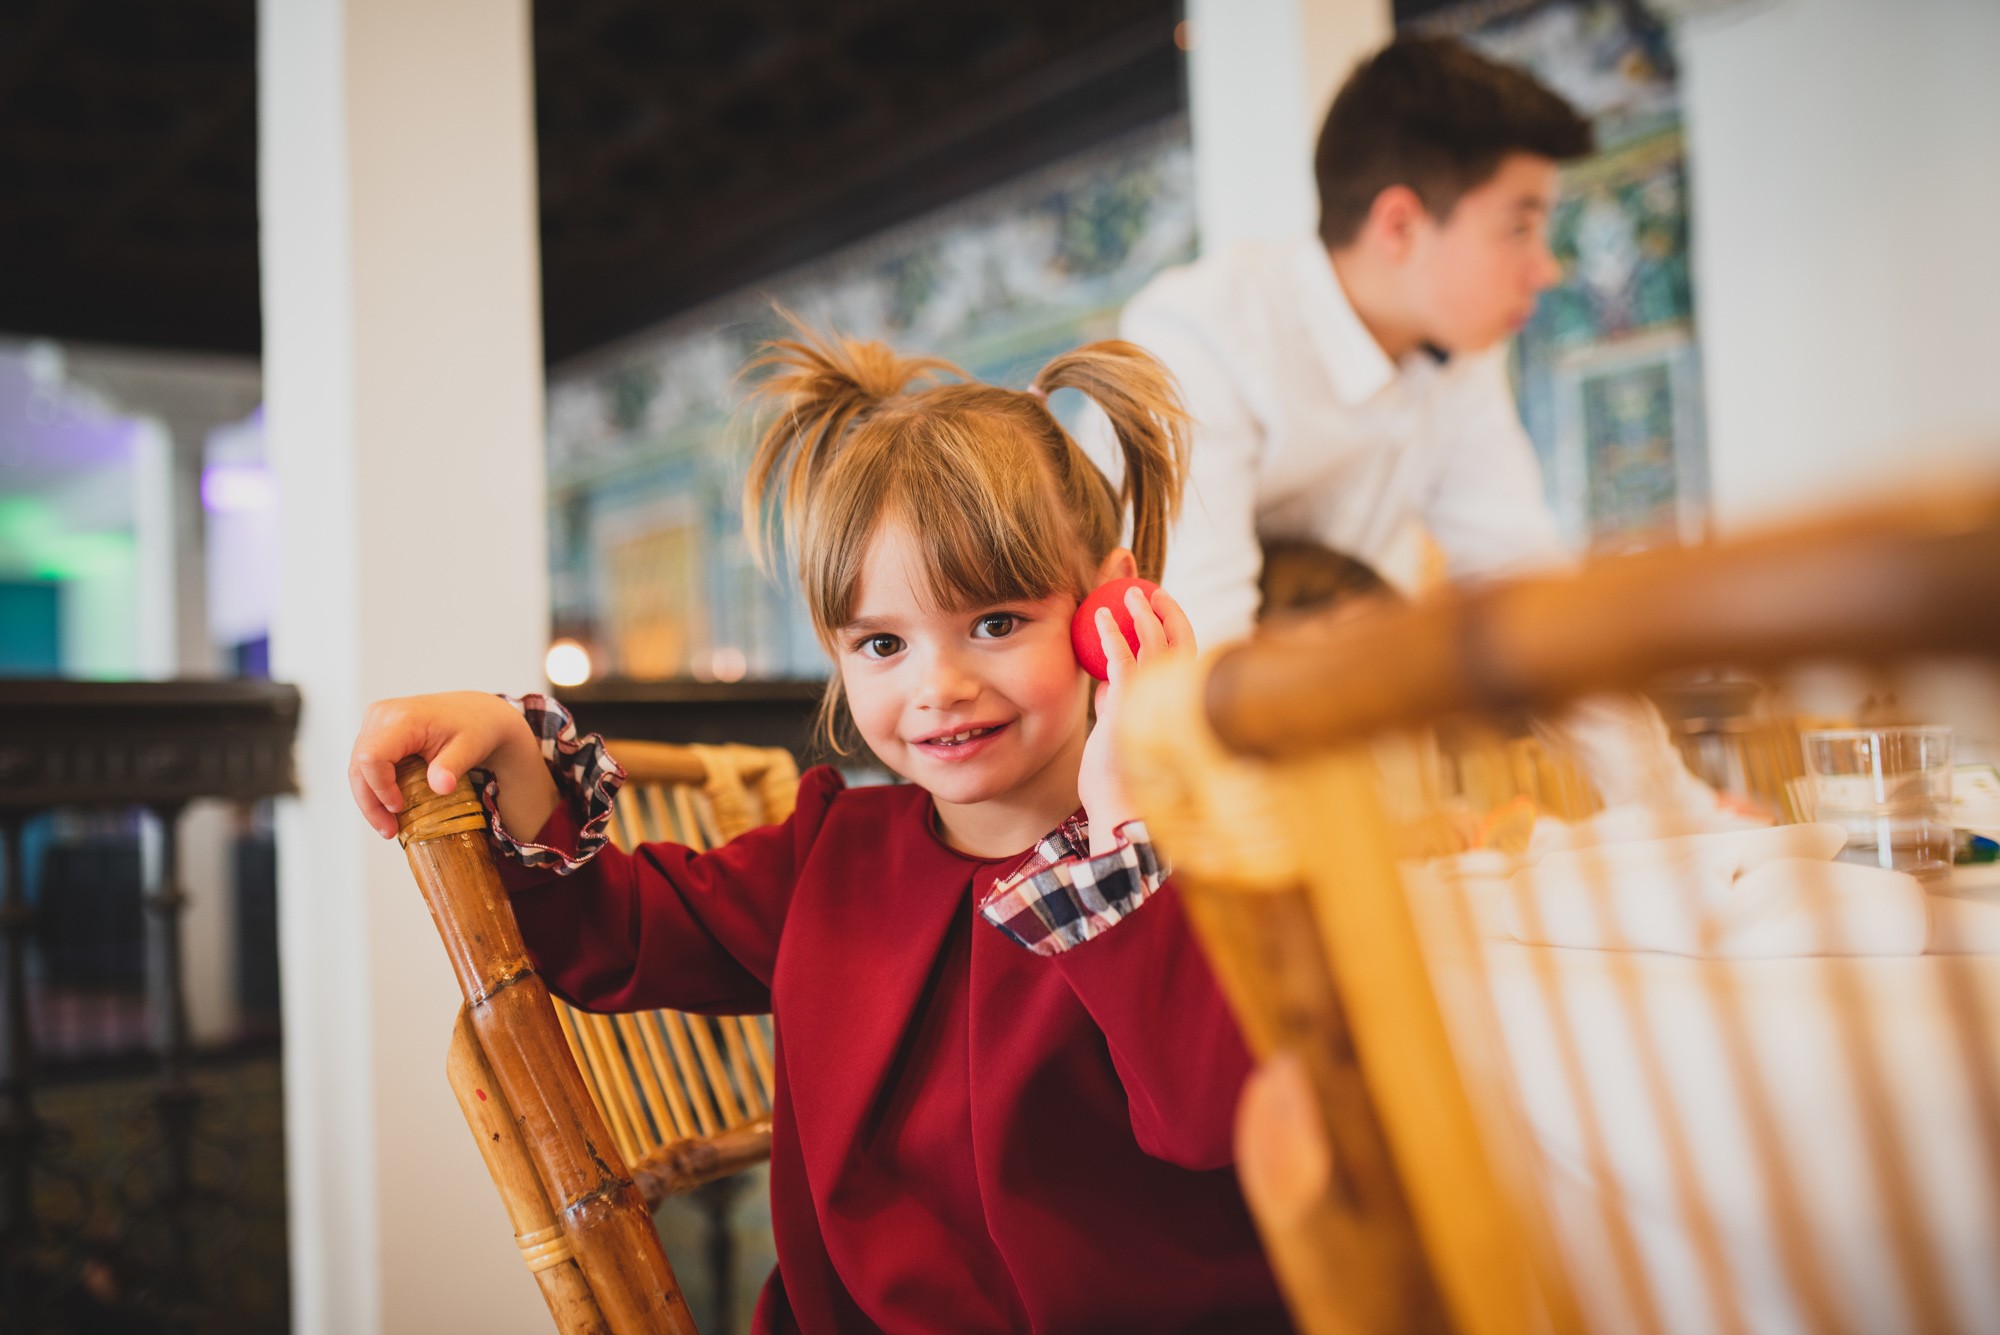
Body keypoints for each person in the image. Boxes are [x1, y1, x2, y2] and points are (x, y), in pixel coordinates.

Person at [346, 329, 1291, 1333]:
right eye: (881, 643)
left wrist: (1129, 817)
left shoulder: (1202, 858)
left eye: (995, 622)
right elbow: (608, 936)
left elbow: (1208, 1121)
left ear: (1112, 604)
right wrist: (514, 756)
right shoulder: (828, 857)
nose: (939, 687)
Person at [1103, 35, 1715, 813]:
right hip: (1133, 779)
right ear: (1400, 225)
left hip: (1307, 756)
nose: (1547, 266)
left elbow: (1529, 600)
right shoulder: (1203, 333)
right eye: (1519, 227)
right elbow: (1198, 645)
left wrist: (1682, 813)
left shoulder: (1453, 369)